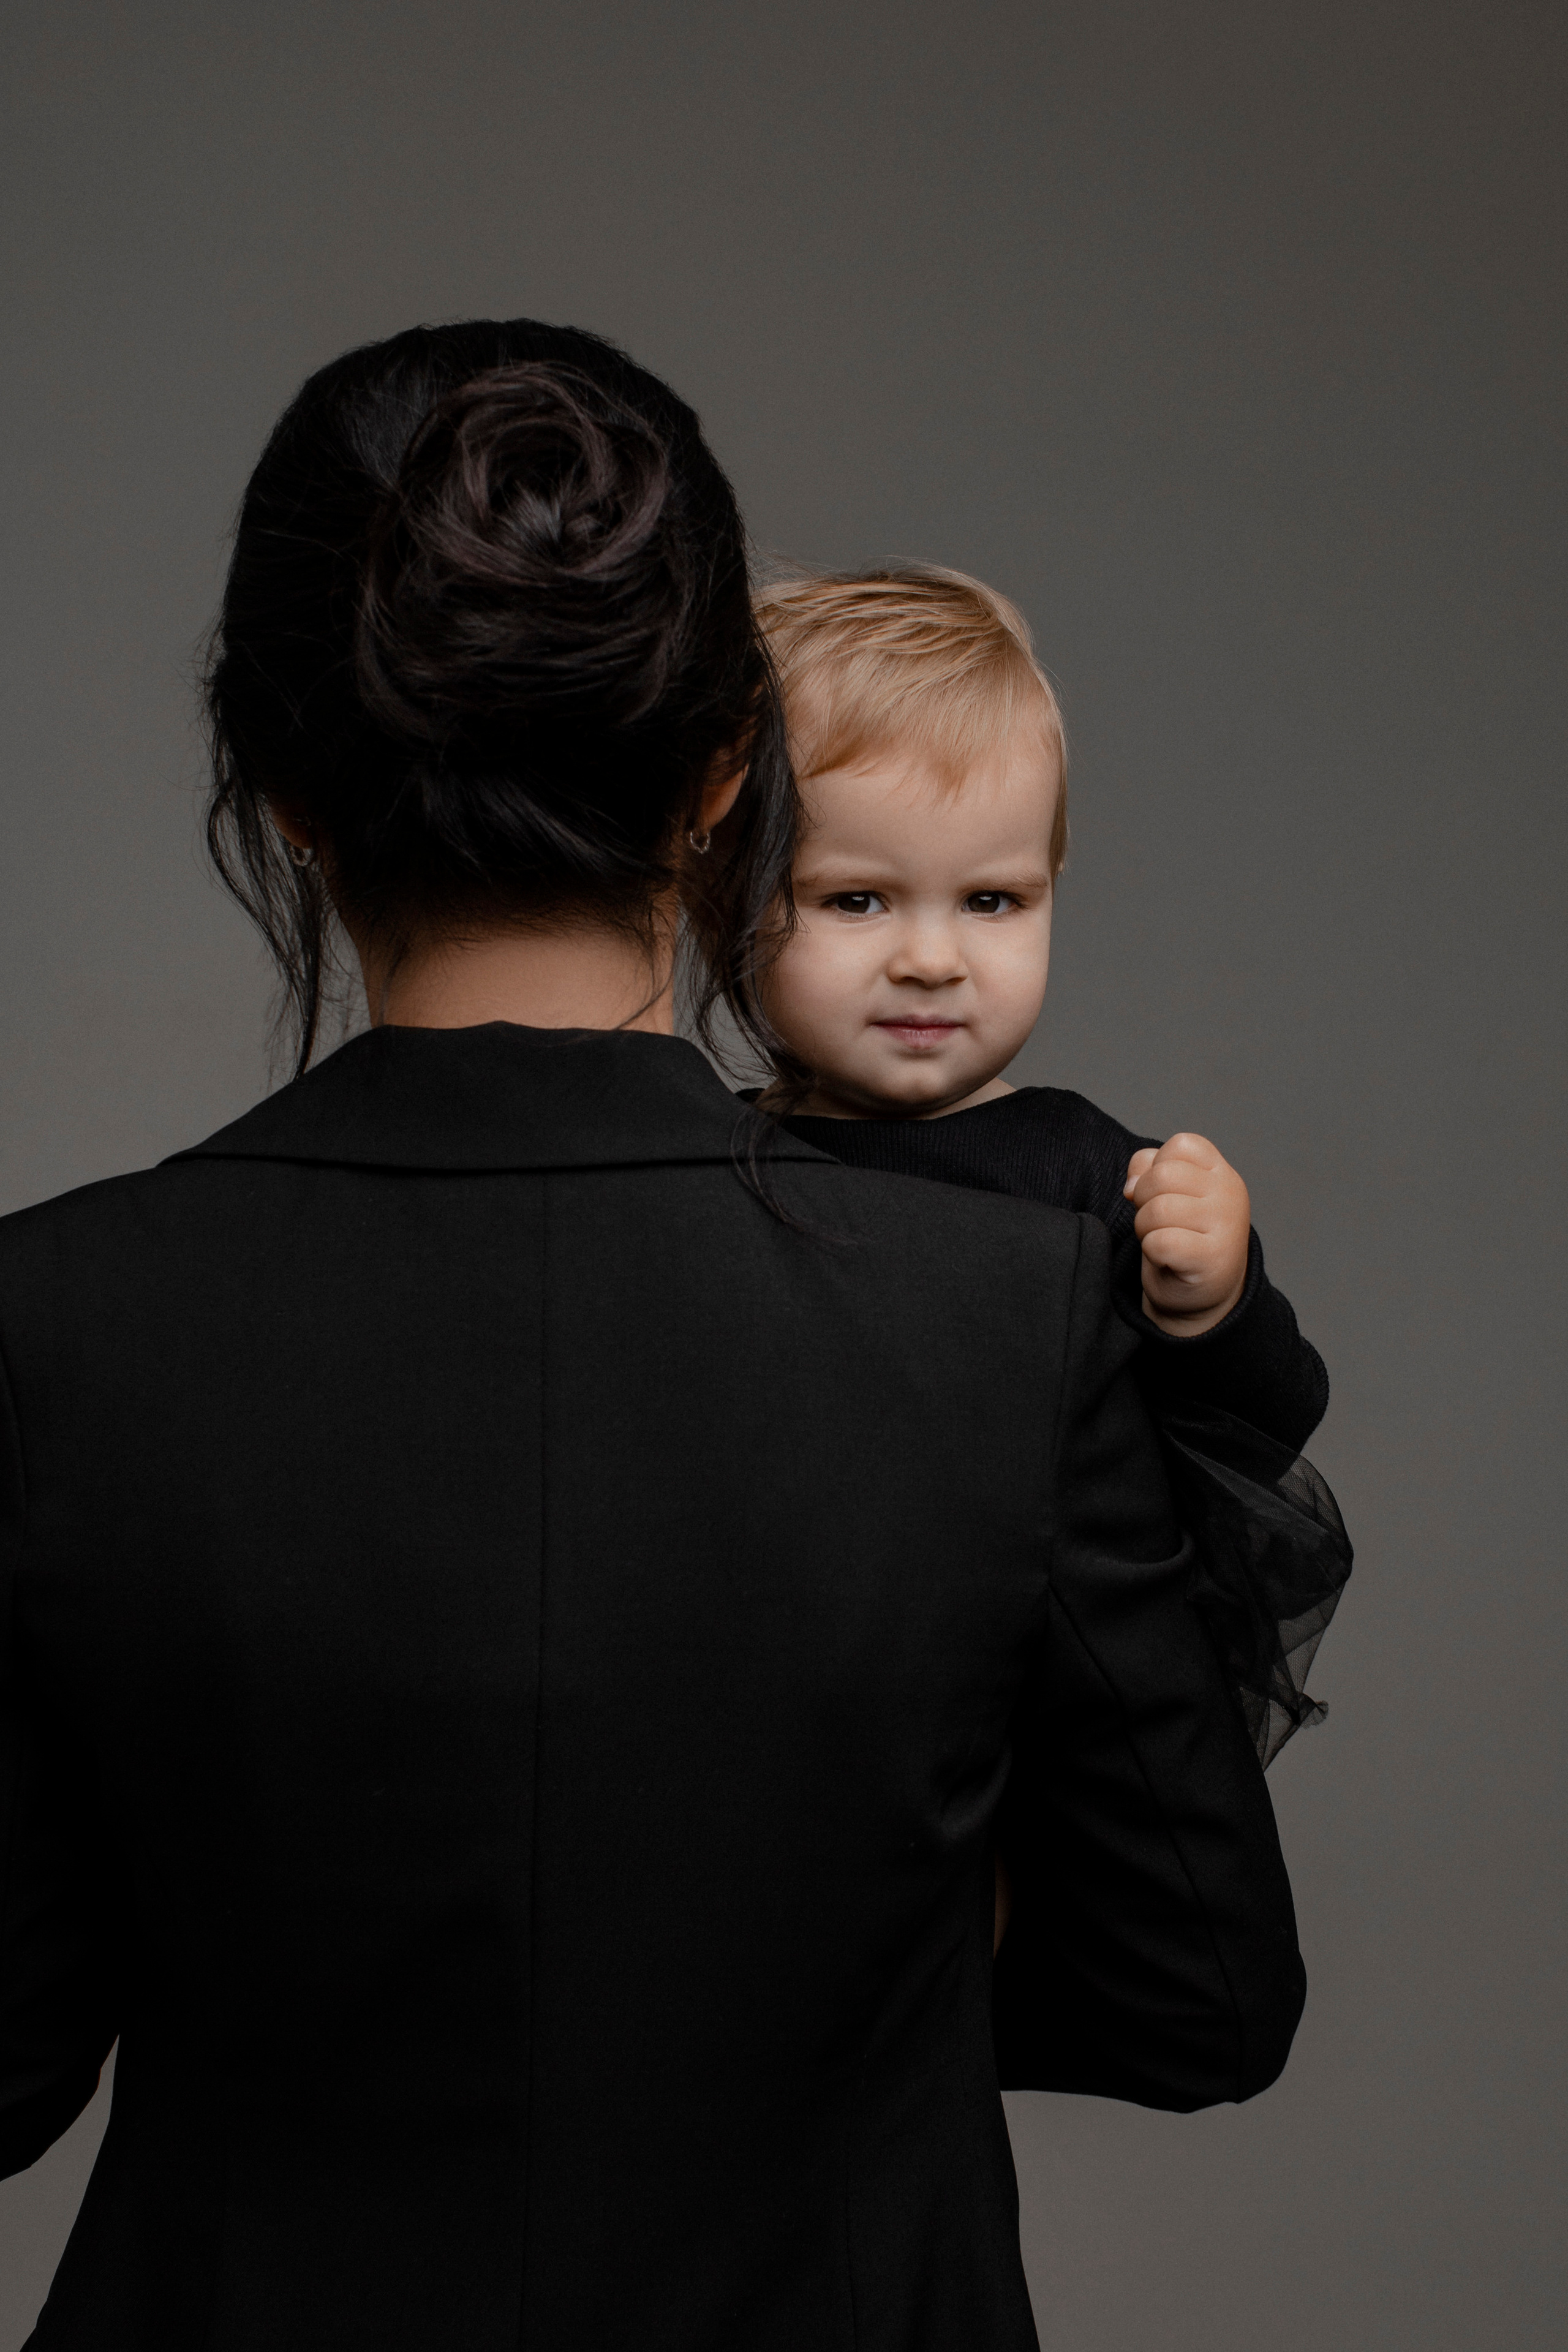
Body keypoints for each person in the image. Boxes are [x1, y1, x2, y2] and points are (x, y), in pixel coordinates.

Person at [0, 323, 1305, 2352]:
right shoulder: (1014, 1322)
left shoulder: (53, 1328)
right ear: (725, 781)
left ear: (281, 798)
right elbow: (1197, 1993)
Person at [746, 566, 1351, 1762]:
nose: (931, 958)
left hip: (1031, 1723)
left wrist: (1211, 1301)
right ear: (729, 893)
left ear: (1050, 887)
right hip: (785, 1714)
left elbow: (1263, 1436)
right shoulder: (708, 1161)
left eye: (990, 899)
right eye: (855, 899)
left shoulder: (1093, 1177)